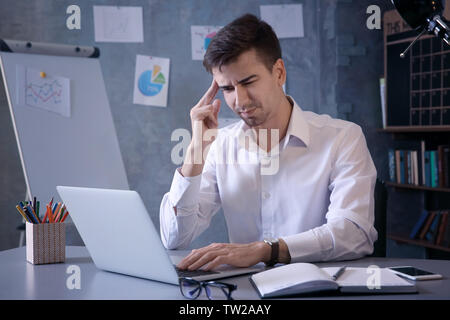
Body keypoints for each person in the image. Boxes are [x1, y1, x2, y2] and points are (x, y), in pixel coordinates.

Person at [160, 14, 377, 271]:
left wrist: (265, 250)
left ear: (279, 73)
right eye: (227, 89)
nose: (239, 101)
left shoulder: (343, 138)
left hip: (318, 290)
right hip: (245, 297)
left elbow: (353, 234)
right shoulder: (220, 145)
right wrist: (196, 150)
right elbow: (175, 239)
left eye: (248, 82)